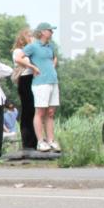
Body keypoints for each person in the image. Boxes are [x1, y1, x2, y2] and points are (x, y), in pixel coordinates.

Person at [24, 22, 61, 152]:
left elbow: (54, 58)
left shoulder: (50, 46)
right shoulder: (33, 46)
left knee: (50, 113)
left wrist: (51, 68)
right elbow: (18, 57)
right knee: (40, 113)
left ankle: (51, 140)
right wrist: (33, 67)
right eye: (50, 30)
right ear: (42, 32)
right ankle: (41, 141)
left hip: (53, 82)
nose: (52, 32)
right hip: (40, 83)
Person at [11, 27, 40, 151]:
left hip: (33, 80)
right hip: (24, 80)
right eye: (29, 35)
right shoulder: (18, 51)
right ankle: (27, 142)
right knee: (27, 111)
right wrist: (32, 66)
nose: (31, 37)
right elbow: (21, 62)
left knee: (34, 111)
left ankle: (36, 141)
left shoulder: (31, 51)